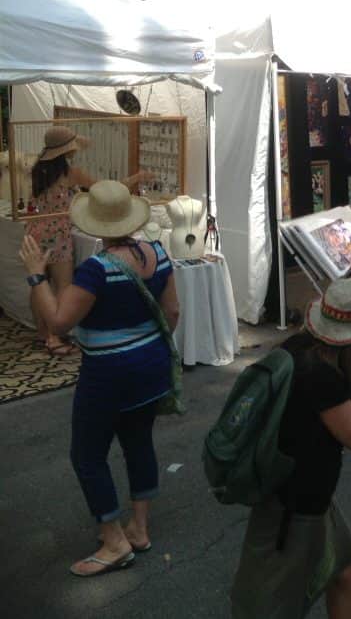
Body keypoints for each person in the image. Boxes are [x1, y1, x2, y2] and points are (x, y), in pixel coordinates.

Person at [19, 180, 178, 576]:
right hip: (151, 365)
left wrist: (37, 277)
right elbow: (172, 312)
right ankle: (138, 528)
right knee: (138, 441)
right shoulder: (157, 252)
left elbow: (58, 321)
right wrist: (146, 348)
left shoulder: (97, 270)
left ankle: (113, 540)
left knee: (87, 455)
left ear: (94, 225)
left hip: (108, 374)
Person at [231, 277, 351, 619]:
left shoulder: (297, 346)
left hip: (306, 497)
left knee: (347, 569)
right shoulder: (321, 377)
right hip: (295, 508)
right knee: (273, 608)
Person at [25, 126, 150, 356]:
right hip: (58, 233)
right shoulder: (73, 173)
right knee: (63, 284)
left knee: (39, 282)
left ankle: (43, 333)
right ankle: (55, 337)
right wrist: (137, 178)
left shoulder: (38, 170)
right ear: (67, 151)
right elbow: (106, 191)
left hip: (35, 230)